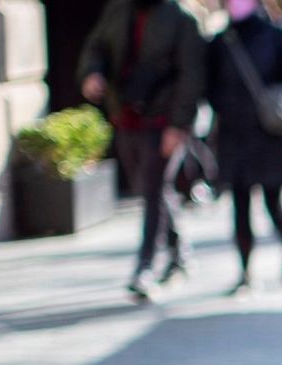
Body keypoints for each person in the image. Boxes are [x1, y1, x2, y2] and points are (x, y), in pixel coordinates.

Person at [77, 0, 206, 301]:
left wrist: (179, 126)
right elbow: (96, 46)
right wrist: (92, 73)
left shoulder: (181, 18)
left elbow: (192, 76)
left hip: (162, 120)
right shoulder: (118, 10)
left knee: (153, 189)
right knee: (150, 188)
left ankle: (145, 266)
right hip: (126, 116)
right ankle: (180, 252)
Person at [207, 0, 282, 294]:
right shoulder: (220, 42)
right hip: (233, 135)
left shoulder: (278, 34)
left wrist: (271, 100)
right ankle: (245, 271)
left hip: (269, 135)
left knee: (273, 202)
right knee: (240, 206)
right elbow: (209, 87)